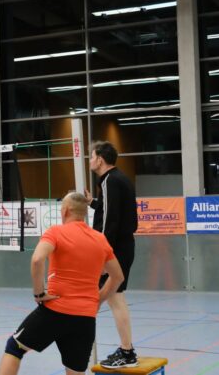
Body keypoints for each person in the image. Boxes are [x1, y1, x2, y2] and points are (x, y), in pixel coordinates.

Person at [0, 192, 124, 375]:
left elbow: (37, 260)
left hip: (55, 310)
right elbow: (118, 277)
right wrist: (98, 301)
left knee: (15, 347)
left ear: (65, 211)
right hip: (85, 318)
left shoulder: (56, 232)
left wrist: (39, 294)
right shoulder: (100, 239)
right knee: (75, 370)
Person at [85, 141, 139, 369]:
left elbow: (110, 222)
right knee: (115, 298)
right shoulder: (118, 179)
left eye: (91, 156)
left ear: (100, 159)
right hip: (122, 247)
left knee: (114, 299)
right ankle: (127, 351)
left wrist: (102, 255)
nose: (90, 160)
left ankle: (127, 353)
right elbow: (111, 210)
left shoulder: (110, 181)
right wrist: (93, 203)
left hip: (114, 250)